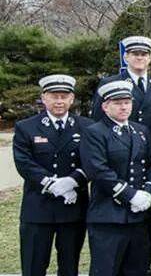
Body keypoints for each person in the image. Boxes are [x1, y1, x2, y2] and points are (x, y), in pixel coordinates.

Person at [14, 75, 93, 276]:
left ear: (72, 99)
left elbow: (93, 161)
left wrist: (72, 181)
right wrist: (51, 184)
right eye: (54, 96)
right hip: (38, 207)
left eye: (64, 96)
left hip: (73, 207)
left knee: (69, 266)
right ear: (44, 98)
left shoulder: (87, 126)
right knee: (34, 265)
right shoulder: (26, 127)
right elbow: (23, 162)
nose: (59, 101)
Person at [82, 80, 151, 276]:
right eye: (117, 102)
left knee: (136, 269)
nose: (124, 107)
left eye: (127, 102)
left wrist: (148, 191)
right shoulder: (95, 132)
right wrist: (130, 195)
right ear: (105, 106)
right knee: (106, 270)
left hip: (138, 216)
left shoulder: (141, 131)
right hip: (108, 216)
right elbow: (98, 170)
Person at [90, 36, 151, 142]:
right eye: (135, 54)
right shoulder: (110, 83)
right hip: (122, 147)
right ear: (126, 57)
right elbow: (98, 119)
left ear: (150, 58)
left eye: (144, 54)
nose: (139, 58)